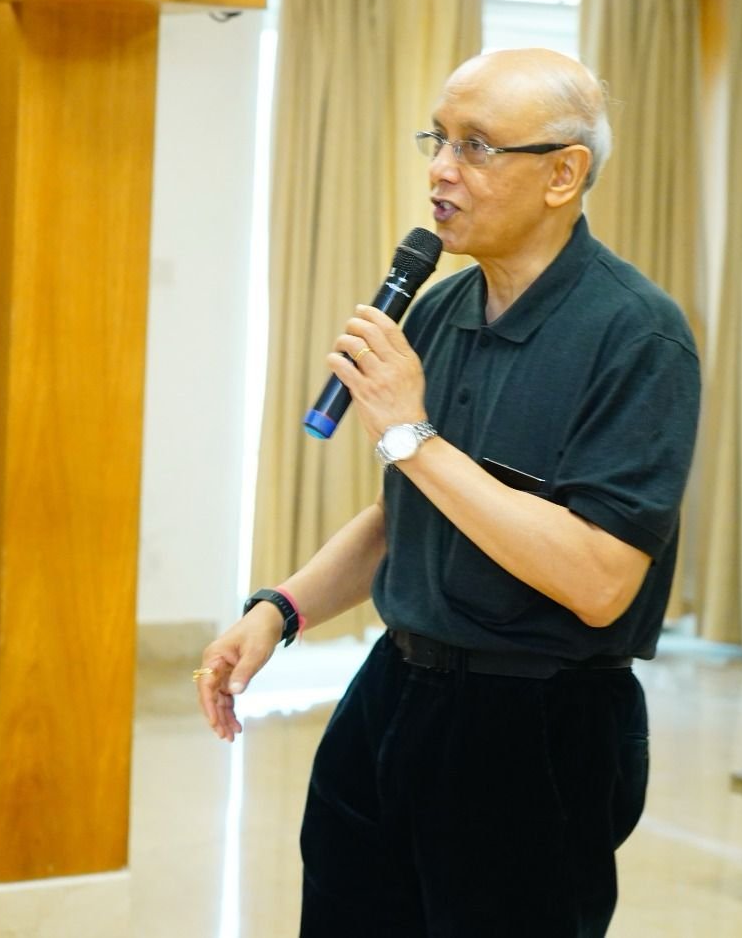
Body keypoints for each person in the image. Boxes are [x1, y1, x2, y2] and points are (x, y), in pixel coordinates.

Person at [194, 48, 701, 936]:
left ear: (563, 174)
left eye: (476, 146)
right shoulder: (437, 307)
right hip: (395, 691)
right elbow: (406, 515)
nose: (440, 170)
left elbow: (600, 581)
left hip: (536, 723)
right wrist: (280, 609)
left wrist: (409, 432)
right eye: (438, 139)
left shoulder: (636, 336)